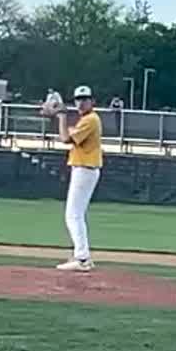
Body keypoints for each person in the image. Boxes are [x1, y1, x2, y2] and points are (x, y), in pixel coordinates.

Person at [53, 85, 104, 272]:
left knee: (73, 215)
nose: (81, 102)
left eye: (85, 99)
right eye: (78, 99)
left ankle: (82, 258)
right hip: (84, 169)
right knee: (76, 214)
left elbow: (65, 139)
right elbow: (70, 135)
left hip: (85, 169)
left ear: (93, 101)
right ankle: (81, 255)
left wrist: (61, 116)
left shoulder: (90, 119)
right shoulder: (86, 120)